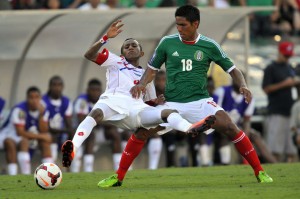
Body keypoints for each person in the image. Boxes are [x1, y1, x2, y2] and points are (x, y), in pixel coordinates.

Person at [99, 5, 273, 187]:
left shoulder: (209, 45)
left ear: (195, 24)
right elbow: (151, 70)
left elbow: (233, 69)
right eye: (177, 25)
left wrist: (243, 85)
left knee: (230, 126)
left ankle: (260, 172)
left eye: (183, 25)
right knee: (142, 132)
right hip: (172, 104)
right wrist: (142, 84)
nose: (179, 29)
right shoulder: (167, 42)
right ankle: (118, 177)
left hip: (200, 101)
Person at [61, 20, 211, 175]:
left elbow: (149, 102)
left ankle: (190, 129)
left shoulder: (147, 76)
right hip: (112, 102)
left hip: (136, 110)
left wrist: (156, 102)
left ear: (142, 53)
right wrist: (105, 37)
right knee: (96, 113)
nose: (130, 47)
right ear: (122, 53)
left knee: (167, 113)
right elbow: (89, 55)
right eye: (127, 46)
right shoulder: (115, 61)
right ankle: (73, 148)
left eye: (134, 45)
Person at [214, 79, 277, 164]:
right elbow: (214, 114)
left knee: (255, 135)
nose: (239, 83)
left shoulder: (248, 97)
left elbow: (247, 121)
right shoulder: (222, 91)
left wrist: (244, 138)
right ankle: (227, 164)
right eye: (237, 80)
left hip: (236, 127)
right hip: (218, 126)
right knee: (227, 135)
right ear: (232, 81)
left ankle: (274, 162)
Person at [71, 78, 124, 172]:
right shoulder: (82, 101)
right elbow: (82, 121)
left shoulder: (105, 100)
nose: (95, 93)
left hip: (101, 132)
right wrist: (101, 121)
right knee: (91, 134)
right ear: (87, 90)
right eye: (92, 90)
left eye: (97, 90)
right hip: (85, 135)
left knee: (115, 133)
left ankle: (119, 168)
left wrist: (95, 121)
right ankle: (88, 170)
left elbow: (113, 121)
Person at [0, 86, 52, 175]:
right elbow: (19, 132)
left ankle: (50, 174)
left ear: (40, 98)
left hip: (30, 135)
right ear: (27, 98)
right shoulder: (20, 109)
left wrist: (40, 116)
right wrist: (42, 136)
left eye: (36, 97)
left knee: (45, 143)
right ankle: (18, 175)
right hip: (10, 134)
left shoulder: (43, 108)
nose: (34, 100)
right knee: (19, 142)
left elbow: (44, 130)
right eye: (31, 97)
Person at [262, 41, 299, 162]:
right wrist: (285, 84)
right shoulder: (271, 68)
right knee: (275, 148)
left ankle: (287, 173)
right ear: (279, 53)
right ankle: (275, 171)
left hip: (291, 111)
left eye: (289, 56)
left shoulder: (290, 68)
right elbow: (266, 88)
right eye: (285, 55)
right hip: (277, 110)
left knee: (291, 149)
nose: (287, 58)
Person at [42, 76, 73, 163]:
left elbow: (68, 124)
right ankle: (52, 165)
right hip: (46, 132)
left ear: (63, 87)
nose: (57, 88)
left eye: (59, 85)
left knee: (74, 134)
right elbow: (45, 127)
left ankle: (72, 166)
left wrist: (70, 132)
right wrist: (63, 131)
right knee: (52, 136)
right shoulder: (43, 101)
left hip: (60, 132)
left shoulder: (66, 101)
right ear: (50, 86)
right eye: (54, 85)